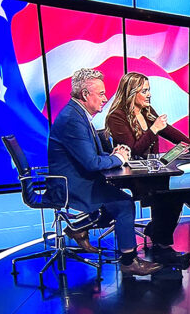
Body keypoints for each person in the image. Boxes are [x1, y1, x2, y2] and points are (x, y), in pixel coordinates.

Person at [48, 68, 161, 276]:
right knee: (123, 204)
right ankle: (129, 262)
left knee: (116, 201)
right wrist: (118, 158)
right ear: (84, 95)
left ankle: (78, 228)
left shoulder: (77, 113)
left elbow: (92, 153)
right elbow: (91, 163)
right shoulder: (72, 119)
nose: (105, 98)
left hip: (77, 179)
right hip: (70, 185)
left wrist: (113, 153)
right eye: (100, 93)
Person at [105, 72, 190, 266]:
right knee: (170, 192)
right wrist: (153, 129)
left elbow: (171, 132)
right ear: (131, 92)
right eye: (144, 91)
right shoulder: (116, 116)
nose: (149, 95)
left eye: (149, 90)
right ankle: (161, 245)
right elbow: (134, 150)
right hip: (133, 175)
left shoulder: (147, 110)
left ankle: (159, 234)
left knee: (176, 187)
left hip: (152, 170)